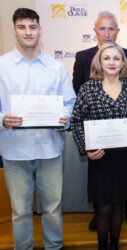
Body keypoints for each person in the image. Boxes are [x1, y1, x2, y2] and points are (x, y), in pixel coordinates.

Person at [0, 8, 76, 250]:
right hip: (14, 150)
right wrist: (2, 118)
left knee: (52, 208)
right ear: (14, 31)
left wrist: (67, 118)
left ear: (40, 30)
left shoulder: (56, 67)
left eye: (32, 26)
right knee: (20, 211)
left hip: (49, 149)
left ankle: (54, 246)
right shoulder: (1, 66)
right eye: (22, 27)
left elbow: (70, 103)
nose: (28, 32)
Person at [72, 11, 127, 230]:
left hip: (124, 153)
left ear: (123, 63)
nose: (111, 62)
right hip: (100, 154)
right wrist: (86, 146)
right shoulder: (87, 86)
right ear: (99, 62)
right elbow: (77, 117)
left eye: (116, 58)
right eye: (106, 58)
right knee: (103, 207)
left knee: (119, 204)